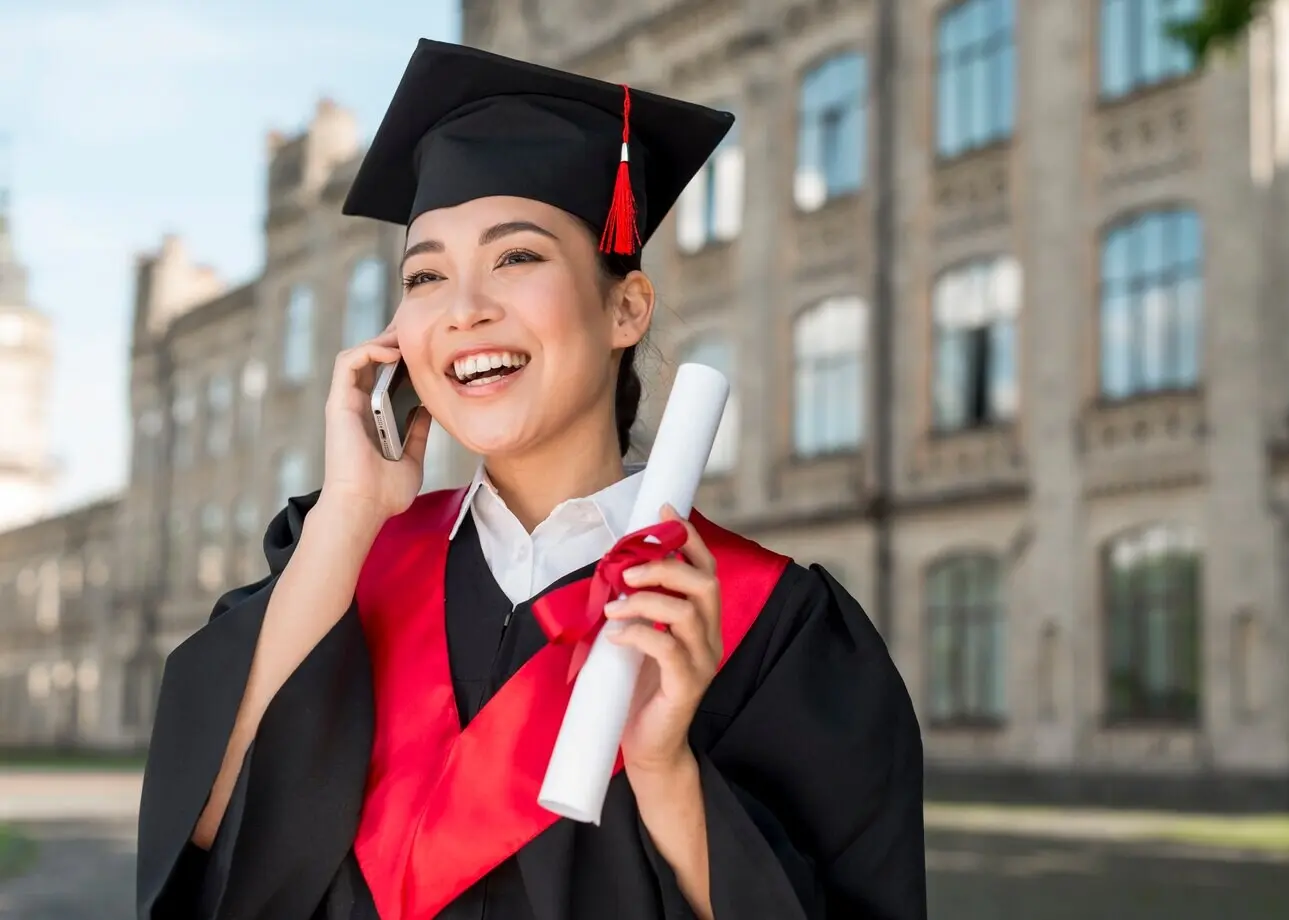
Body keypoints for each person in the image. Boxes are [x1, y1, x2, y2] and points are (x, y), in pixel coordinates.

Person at [135, 38, 928, 920]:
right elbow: (209, 854)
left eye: (517, 257)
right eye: (425, 274)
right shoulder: (342, 573)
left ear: (626, 307)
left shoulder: (772, 629)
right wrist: (353, 507)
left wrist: (665, 768)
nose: (465, 305)